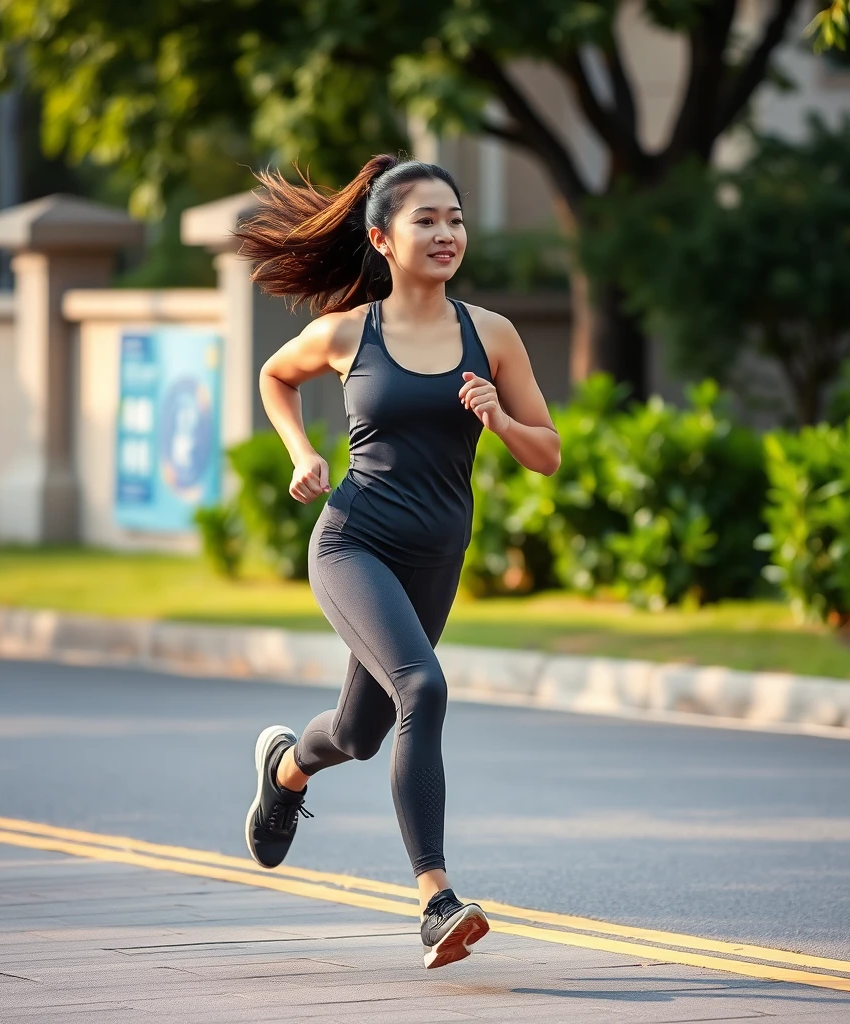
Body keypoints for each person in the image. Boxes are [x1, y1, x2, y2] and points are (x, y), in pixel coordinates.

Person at [236, 153, 560, 969]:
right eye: (427, 220)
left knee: (360, 732)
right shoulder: (351, 331)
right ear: (382, 238)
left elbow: (547, 452)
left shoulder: (493, 336)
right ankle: (435, 901)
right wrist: (301, 452)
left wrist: (500, 422)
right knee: (423, 685)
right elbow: (276, 376)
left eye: (455, 219)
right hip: (354, 541)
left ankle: (285, 770)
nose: (446, 232)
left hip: (435, 556)